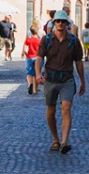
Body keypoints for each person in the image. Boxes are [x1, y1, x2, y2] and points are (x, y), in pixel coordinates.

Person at [35, 10, 85, 154]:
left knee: (66, 108)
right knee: (50, 111)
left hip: (67, 79)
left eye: (63, 21)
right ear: (54, 22)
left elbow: (79, 62)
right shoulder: (46, 39)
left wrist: (83, 81)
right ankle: (55, 139)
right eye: (58, 21)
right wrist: (38, 74)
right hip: (50, 79)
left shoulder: (74, 41)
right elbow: (39, 58)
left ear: (67, 24)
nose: (60, 23)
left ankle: (64, 142)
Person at [23, 25, 41, 94]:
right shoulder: (40, 40)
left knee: (29, 73)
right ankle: (35, 89)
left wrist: (26, 54)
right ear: (37, 32)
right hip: (37, 58)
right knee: (37, 73)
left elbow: (24, 49)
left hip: (29, 57)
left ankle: (30, 84)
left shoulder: (28, 40)